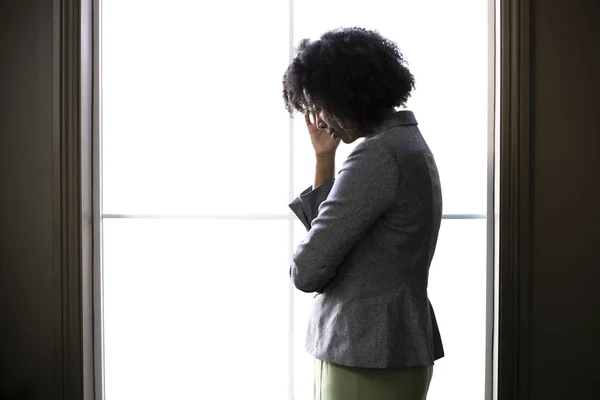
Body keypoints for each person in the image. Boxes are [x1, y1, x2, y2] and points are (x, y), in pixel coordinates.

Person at [282, 27, 444, 400]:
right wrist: (325, 159)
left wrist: (308, 262)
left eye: (320, 104)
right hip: (381, 351)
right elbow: (342, 235)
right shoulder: (405, 142)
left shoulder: (378, 155)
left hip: (364, 354)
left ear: (347, 96)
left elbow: (308, 270)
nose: (319, 120)